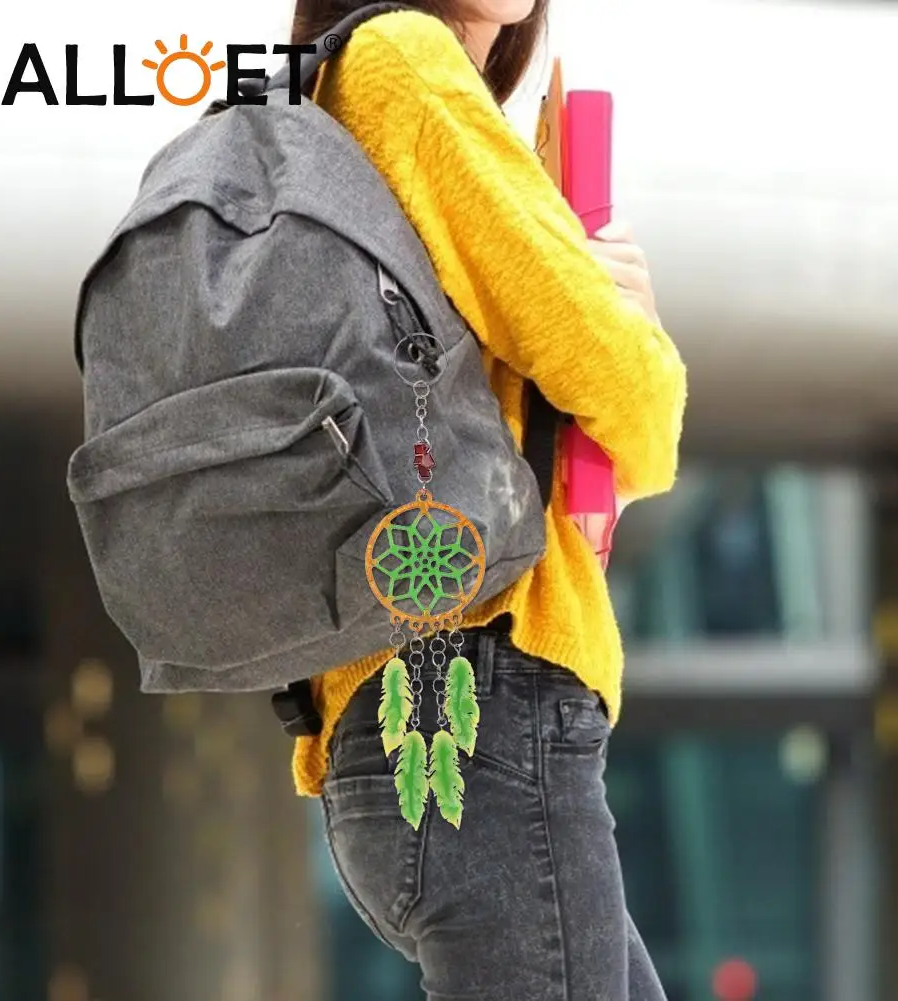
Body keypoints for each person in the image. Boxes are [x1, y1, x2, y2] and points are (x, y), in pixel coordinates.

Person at [288, 2, 687, 998]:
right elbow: (624, 390)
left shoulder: (340, 86)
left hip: (421, 721)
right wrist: (630, 320)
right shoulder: (405, 62)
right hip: (481, 712)